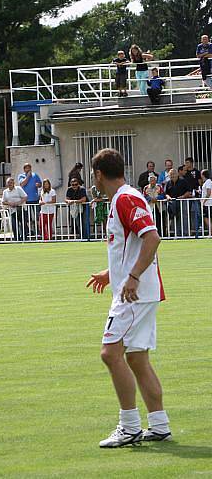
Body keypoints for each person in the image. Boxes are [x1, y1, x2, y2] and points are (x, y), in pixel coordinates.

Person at [86, 147, 170, 448]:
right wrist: (111, 274)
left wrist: (131, 277)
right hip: (135, 290)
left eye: (92, 175)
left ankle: (129, 426)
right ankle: (159, 425)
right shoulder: (122, 199)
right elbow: (132, 244)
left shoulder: (126, 198)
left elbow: (152, 237)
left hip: (134, 293)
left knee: (110, 354)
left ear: (98, 174)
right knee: (136, 357)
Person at [17, 162, 42, 239]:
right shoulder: (21, 176)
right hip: (26, 200)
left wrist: (39, 185)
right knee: (27, 217)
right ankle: (28, 231)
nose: (28, 169)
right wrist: (28, 177)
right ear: (24, 169)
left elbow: (40, 183)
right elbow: (22, 184)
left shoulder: (35, 175)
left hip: (35, 199)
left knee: (37, 215)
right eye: (27, 168)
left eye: (29, 167)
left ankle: (38, 231)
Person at [183, 157, 202, 234]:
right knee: (186, 213)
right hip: (186, 195)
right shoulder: (185, 172)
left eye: (187, 162)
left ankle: (198, 228)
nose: (186, 164)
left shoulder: (197, 172)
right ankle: (188, 230)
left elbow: (200, 183)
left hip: (195, 195)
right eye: (185, 162)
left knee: (197, 212)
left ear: (191, 163)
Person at [201, 169, 212, 235]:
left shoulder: (208, 181)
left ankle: (210, 233)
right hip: (207, 203)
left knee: (207, 218)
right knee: (207, 218)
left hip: (208, 204)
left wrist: (203, 201)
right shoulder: (207, 182)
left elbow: (208, 193)